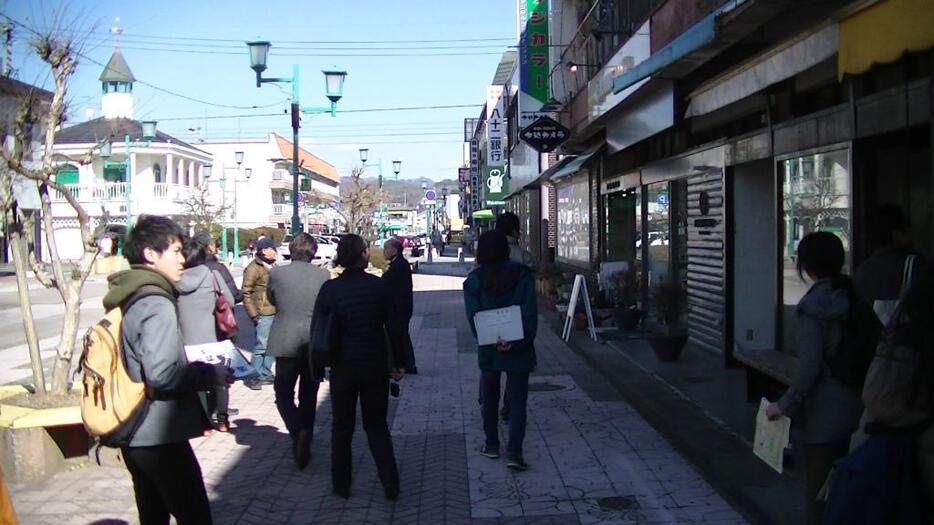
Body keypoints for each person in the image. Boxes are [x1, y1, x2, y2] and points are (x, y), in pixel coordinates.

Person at [102, 215, 232, 524]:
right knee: (195, 515)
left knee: (153, 514)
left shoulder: (128, 293)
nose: (182, 259)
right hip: (158, 431)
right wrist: (209, 374)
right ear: (150, 254)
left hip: (135, 428)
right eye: (174, 250)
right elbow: (162, 375)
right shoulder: (155, 302)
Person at [765, 232, 863, 525]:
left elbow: (810, 370)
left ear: (805, 266)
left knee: (818, 497)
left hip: (825, 417)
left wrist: (783, 406)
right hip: (861, 409)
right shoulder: (852, 297)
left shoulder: (813, 308)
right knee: (853, 494)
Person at [312, 234, 404, 500]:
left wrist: (317, 366)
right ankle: (390, 482)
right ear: (363, 255)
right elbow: (395, 328)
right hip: (374, 363)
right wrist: (398, 362)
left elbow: (318, 330)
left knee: (342, 426)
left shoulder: (330, 289)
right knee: (376, 425)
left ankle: (341, 484)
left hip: (342, 366)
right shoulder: (378, 287)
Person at [464, 230, 538, 471]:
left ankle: (492, 445)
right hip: (520, 346)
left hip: (489, 347)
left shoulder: (474, 281)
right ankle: (515, 453)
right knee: (517, 402)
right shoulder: (523, 276)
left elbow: (474, 317)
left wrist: (492, 339)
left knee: (490, 397)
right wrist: (516, 341)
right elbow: (530, 313)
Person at [266, 233, 330, 470]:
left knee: (283, 392)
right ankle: (307, 437)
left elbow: (271, 299)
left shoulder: (277, 273)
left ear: (290, 250)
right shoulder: (323, 275)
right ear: (313, 252)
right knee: (309, 394)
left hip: (285, 339)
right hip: (313, 341)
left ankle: (297, 430)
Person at [177, 237, 236, 432]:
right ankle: (222, 420)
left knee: (197, 381)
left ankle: (203, 424)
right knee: (220, 381)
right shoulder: (212, 275)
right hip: (212, 338)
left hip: (186, 340)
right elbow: (230, 301)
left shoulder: (174, 280)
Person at [854, 204, 925, 325]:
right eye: (907, 226)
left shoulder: (862, 271)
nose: (912, 230)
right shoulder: (916, 265)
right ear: (896, 234)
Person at [242, 237, 278, 389]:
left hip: (275, 310)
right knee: (261, 346)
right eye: (273, 249)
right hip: (262, 313)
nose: (276, 251)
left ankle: (265, 372)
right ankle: (254, 375)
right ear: (264, 251)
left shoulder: (273, 265)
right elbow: (246, 292)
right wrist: (254, 315)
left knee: (272, 346)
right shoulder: (254, 268)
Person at [382, 237, 416, 374]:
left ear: (394, 250)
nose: (383, 252)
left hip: (399, 308)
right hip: (400, 307)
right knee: (400, 336)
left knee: (399, 336)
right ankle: (405, 363)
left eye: (386, 248)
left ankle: (404, 364)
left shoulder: (399, 265)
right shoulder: (399, 264)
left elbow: (387, 283)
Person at [193, 231, 242, 304]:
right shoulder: (218, 268)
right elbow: (233, 295)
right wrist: (243, 293)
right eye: (213, 243)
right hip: (216, 312)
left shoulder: (188, 266)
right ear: (209, 246)